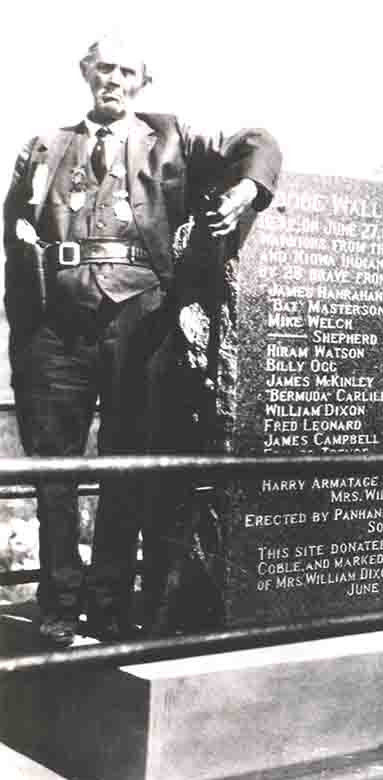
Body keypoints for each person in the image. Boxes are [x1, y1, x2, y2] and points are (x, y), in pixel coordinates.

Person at [2, 36, 282, 647]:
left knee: (127, 465)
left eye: (127, 71)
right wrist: (23, 323)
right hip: (56, 327)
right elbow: (12, 230)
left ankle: (105, 605)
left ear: (142, 82)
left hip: (140, 321)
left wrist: (246, 191)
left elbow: (257, 142)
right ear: (85, 73)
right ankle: (58, 605)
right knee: (56, 472)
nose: (114, 79)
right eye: (104, 67)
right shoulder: (44, 145)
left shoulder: (173, 136)